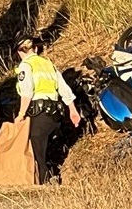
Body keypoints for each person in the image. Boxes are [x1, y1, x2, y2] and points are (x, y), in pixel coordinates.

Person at [13, 35, 82, 184]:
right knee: (47, 148)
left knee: (37, 150)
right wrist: (73, 111)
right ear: (36, 49)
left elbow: (27, 92)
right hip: (56, 115)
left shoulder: (26, 65)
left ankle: (44, 182)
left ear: (19, 52)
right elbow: (64, 88)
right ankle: (51, 177)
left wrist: (21, 114)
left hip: (39, 113)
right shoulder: (48, 63)